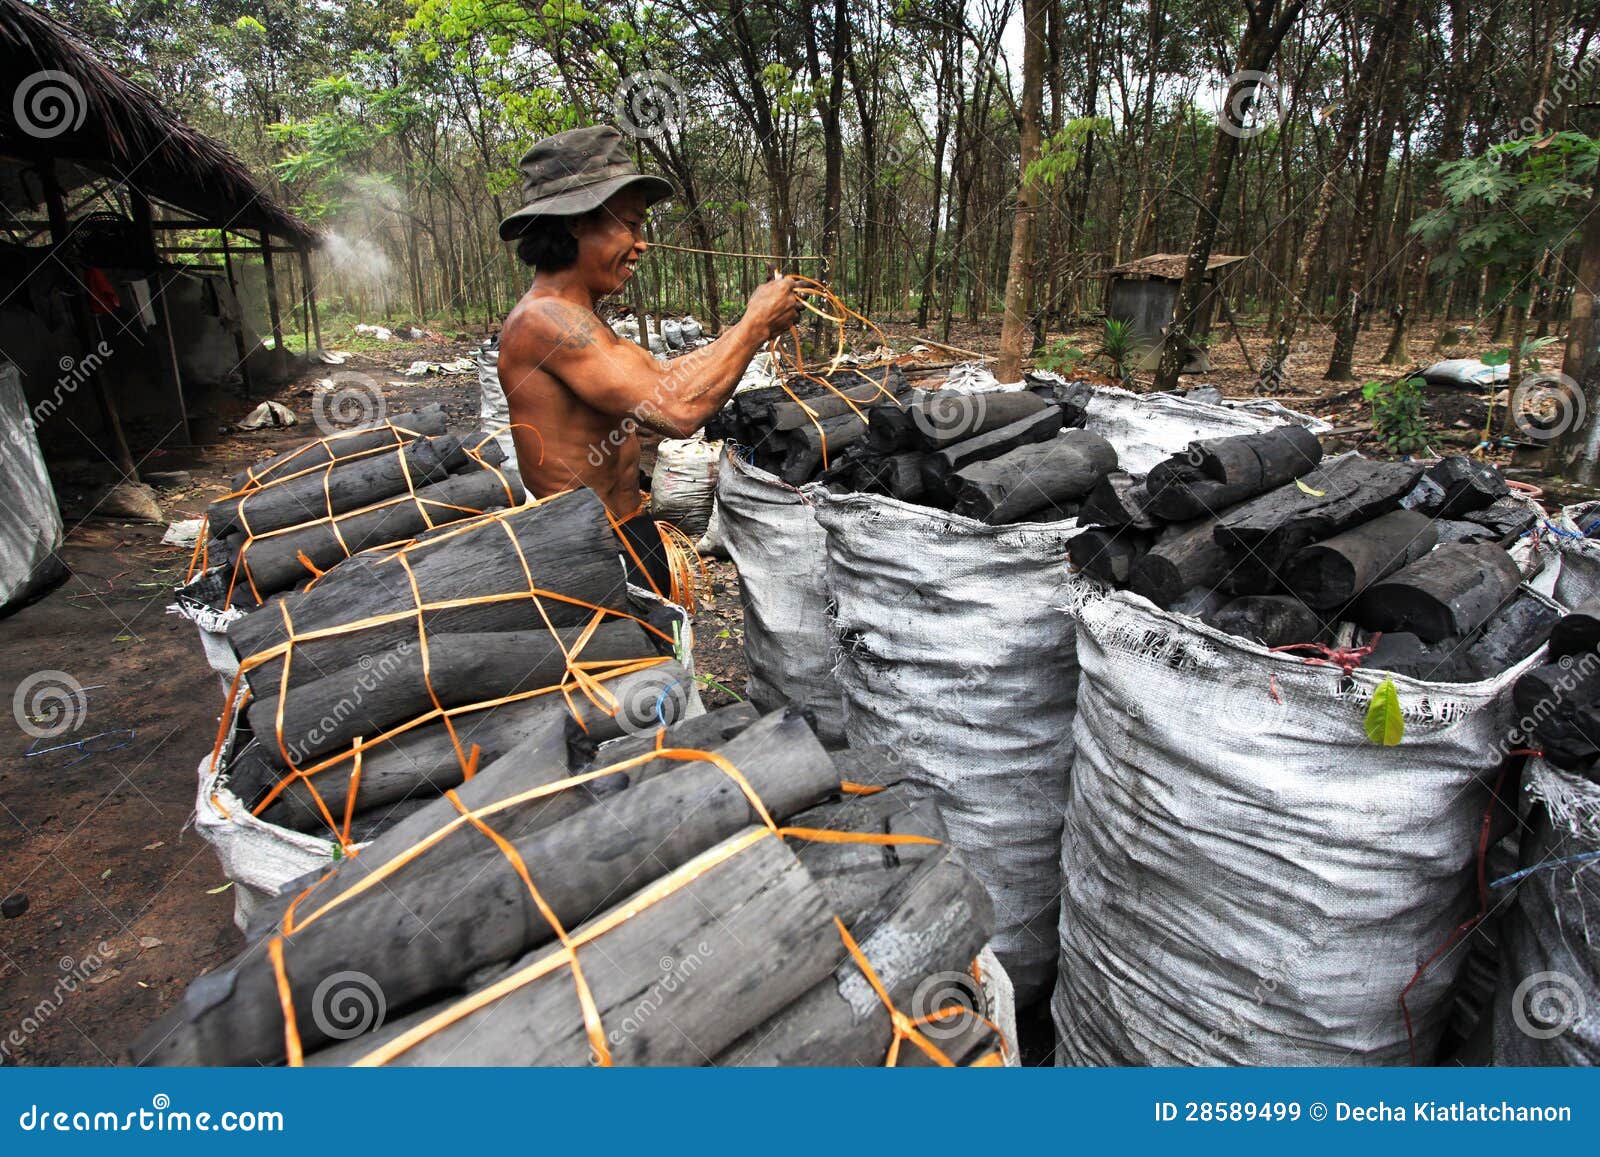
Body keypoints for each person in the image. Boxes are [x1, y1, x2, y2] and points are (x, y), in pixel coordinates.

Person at [496, 124, 802, 594]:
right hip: (587, 556)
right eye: (632, 226)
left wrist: (749, 328)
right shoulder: (545, 321)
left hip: (623, 536)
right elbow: (677, 411)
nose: (642, 244)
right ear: (577, 221)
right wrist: (754, 325)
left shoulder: (576, 316)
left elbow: (665, 377)